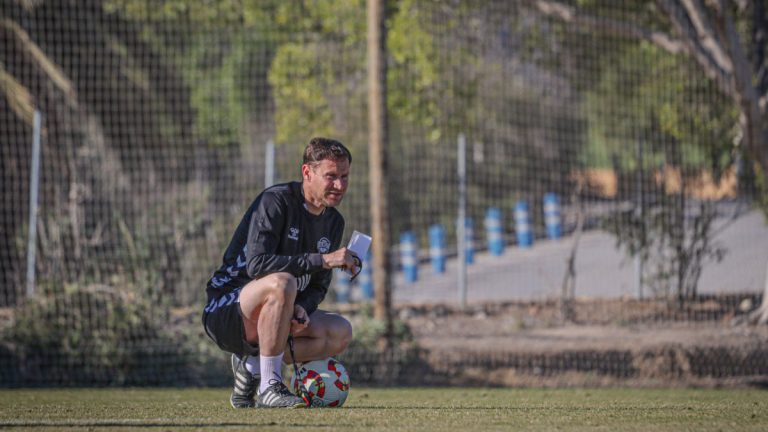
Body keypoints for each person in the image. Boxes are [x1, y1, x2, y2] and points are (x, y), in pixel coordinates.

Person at [202, 137, 357, 408]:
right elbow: (257, 264)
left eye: (344, 176)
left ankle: (250, 367)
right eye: (331, 176)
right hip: (227, 309)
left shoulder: (334, 221)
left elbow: (318, 286)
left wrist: (302, 308)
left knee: (340, 331)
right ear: (307, 172)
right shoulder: (276, 201)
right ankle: (270, 386)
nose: (340, 185)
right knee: (282, 283)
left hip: (278, 309)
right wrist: (322, 259)